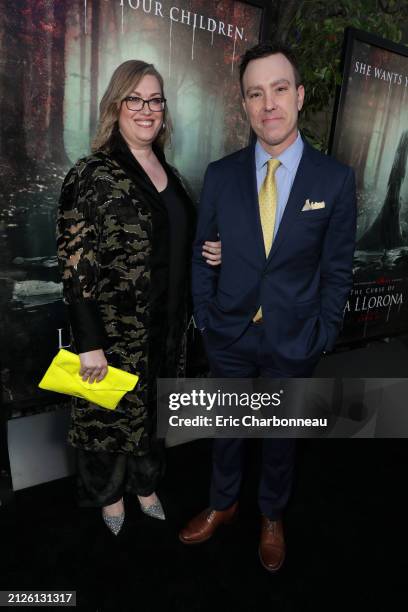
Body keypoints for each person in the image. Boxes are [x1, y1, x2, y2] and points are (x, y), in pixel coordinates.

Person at [179, 43, 357, 571]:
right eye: (255, 93)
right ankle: (222, 502)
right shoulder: (220, 174)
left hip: (295, 338)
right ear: (244, 105)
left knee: (281, 439)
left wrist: (323, 333)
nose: (269, 103)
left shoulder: (335, 179)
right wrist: (207, 318)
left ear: (299, 96)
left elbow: (338, 268)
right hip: (229, 334)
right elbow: (202, 253)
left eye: (280, 89)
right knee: (227, 431)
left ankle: (272, 514)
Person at [57, 60, 221, 535]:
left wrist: (211, 250)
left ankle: (146, 484)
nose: (146, 109)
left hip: (167, 326)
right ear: (116, 104)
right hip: (112, 331)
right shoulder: (91, 175)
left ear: (164, 109)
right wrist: (89, 342)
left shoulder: (173, 175)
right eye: (136, 99)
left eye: (155, 99)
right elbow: (75, 267)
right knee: (106, 419)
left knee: (152, 414)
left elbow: (179, 242)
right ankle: (109, 496)